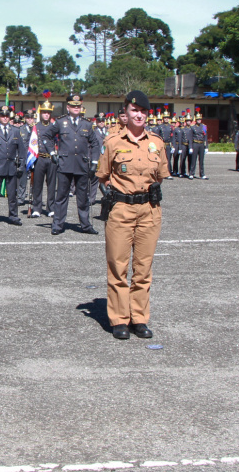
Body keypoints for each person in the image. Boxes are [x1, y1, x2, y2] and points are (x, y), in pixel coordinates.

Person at [96, 91, 168, 340]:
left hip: (149, 210)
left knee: (143, 267)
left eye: (143, 111)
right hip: (121, 209)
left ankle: (139, 318)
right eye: (134, 111)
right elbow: (102, 177)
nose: (139, 115)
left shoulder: (157, 142)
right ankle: (119, 319)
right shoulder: (112, 142)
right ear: (125, 114)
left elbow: (160, 176)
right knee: (118, 266)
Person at [41, 94, 101, 235]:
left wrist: (94, 162)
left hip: (82, 165)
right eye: (73, 106)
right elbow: (46, 136)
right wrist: (53, 153)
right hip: (64, 164)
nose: (76, 108)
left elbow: (95, 144)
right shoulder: (61, 122)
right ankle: (57, 224)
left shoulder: (86, 124)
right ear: (68, 107)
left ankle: (85, 225)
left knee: (83, 197)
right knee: (61, 197)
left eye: (78, 106)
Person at [0, 106, 27, 226]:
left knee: (12, 194)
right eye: (2, 116)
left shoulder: (16, 131)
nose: (5, 118)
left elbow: (22, 151)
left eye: (7, 116)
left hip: (11, 166)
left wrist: (21, 166)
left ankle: (13, 216)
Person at [30, 97, 58, 218]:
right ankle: (37, 208)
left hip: (51, 159)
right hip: (39, 158)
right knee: (37, 184)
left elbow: (59, 142)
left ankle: (51, 208)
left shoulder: (55, 126)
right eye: (44, 113)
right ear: (41, 113)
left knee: (51, 185)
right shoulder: (35, 127)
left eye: (48, 113)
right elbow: (30, 143)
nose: (46, 115)